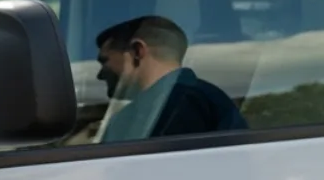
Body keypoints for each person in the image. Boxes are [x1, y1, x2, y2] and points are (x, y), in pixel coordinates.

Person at [94, 15, 247, 141]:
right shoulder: (210, 101)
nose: (100, 75)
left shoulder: (179, 108)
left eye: (104, 61)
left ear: (137, 51)